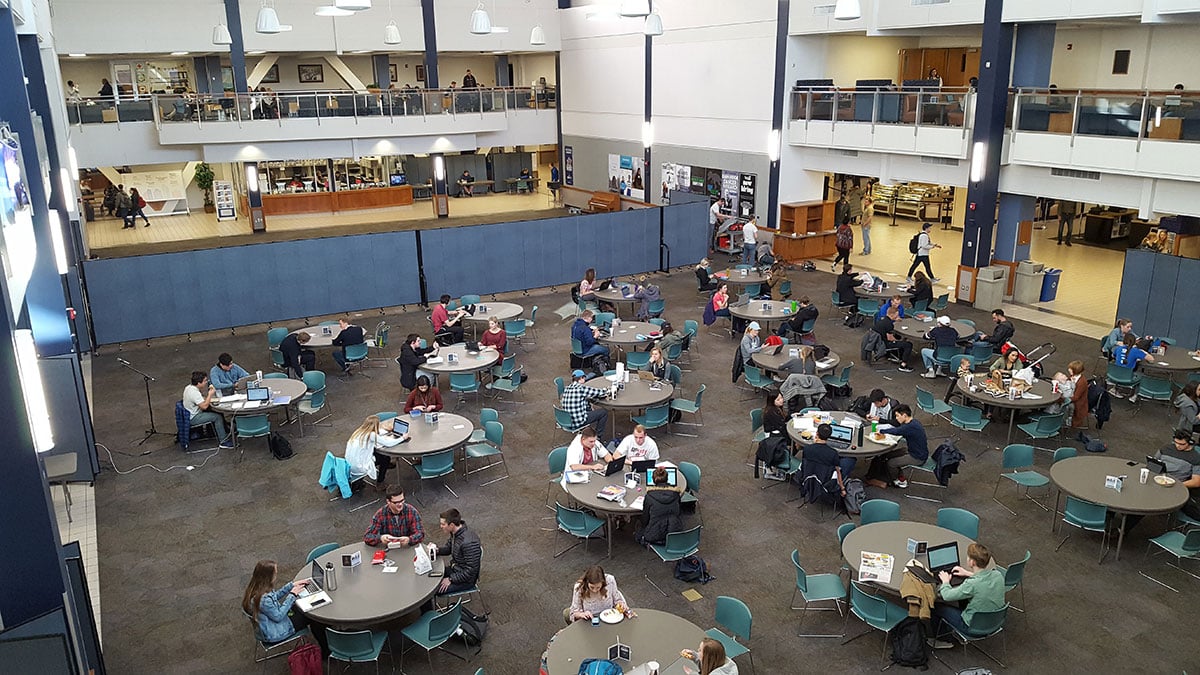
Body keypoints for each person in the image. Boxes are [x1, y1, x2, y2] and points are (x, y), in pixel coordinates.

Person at [928, 543, 1006, 649]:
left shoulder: (971, 585)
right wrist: (967, 573)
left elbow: (946, 596)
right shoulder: (998, 575)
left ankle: (941, 640)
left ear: (972, 562)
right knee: (964, 599)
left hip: (972, 627)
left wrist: (945, 582)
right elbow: (983, 580)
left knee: (935, 606)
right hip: (994, 622)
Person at [241, 560, 327, 655]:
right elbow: (278, 616)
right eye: (275, 573)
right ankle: (326, 650)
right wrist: (292, 594)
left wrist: (292, 585)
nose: (276, 574)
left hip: (272, 621)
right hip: (277, 630)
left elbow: (274, 597)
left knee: (300, 606)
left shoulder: (257, 588)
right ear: (268, 576)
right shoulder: (263, 599)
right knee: (312, 618)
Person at [870, 405, 927, 488]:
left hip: (917, 457)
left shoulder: (909, 427)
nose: (896, 418)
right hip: (914, 450)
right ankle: (886, 474)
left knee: (891, 463)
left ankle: (899, 481)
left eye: (897, 416)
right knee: (887, 455)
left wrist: (881, 431)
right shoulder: (914, 422)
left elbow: (896, 431)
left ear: (904, 415)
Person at [434, 508, 482, 595]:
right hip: (456, 570)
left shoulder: (469, 543)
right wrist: (436, 550)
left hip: (466, 580)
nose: (441, 526)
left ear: (451, 525)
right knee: (431, 574)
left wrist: (450, 579)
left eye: (443, 524)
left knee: (433, 590)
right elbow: (449, 548)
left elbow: (471, 571)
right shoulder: (456, 533)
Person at [1155, 430, 1200, 520]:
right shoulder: (1165, 448)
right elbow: (1154, 462)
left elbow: (1196, 482)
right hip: (1157, 480)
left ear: (1190, 442)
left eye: (1182, 444)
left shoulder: (1195, 457)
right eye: (1176, 442)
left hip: (1176, 486)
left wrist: (1176, 484)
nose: (1178, 446)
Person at [183, 371, 234, 449]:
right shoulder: (194, 393)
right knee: (217, 417)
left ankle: (221, 431)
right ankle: (223, 441)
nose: (206, 382)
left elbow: (200, 399)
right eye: (205, 381)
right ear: (199, 383)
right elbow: (204, 406)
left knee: (216, 411)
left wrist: (211, 399)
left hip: (191, 412)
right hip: (194, 417)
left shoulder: (189, 388)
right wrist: (210, 395)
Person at [567, 565, 634, 623]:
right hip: (591, 622)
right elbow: (573, 613)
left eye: (598, 587)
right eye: (592, 587)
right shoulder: (579, 588)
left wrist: (621, 604)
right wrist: (582, 614)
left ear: (603, 583)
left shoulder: (610, 581)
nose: (595, 590)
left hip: (610, 618)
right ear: (587, 583)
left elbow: (617, 600)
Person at [636, 467, 683, 547]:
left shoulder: (649, 497)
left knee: (638, 530)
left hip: (654, 535)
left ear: (654, 480)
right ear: (667, 479)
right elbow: (678, 512)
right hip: (673, 533)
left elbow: (645, 519)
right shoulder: (676, 494)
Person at [802, 423, 848, 503]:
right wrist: (842, 488)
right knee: (848, 463)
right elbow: (838, 472)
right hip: (825, 482)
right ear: (829, 436)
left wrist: (814, 442)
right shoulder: (833, 453)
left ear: (817, 433)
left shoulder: (807, 449)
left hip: (808, 478)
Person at [561, 370, 609, 440]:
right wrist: (607, 389)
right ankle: (598, 437)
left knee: (587, 405)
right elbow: (600, 392)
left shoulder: (567, 388)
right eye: (584, 378)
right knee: (603, 412)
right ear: (581, 378)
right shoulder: (581, 389)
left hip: (566, 420)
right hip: (578, 421)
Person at [873, 308, 914, 372]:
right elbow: (890, 338)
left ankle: (896, 354)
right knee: (908, 344)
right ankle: (903, 365)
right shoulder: (889, 324)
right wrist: (900, 341)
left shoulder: (882, 320)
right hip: (884, 344)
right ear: (892, 315)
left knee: (898, 338)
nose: (897, 317)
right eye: (896, 315)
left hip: (876, 341)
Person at [344, 415, 380, 482]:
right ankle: (380, 482)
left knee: (375, 452)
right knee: (385, 458)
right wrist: (403, 438)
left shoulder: (358, 432)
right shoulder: (371, 435)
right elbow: (387, 442)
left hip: (348, 465)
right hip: (359, 467)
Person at [1067, 360, 1089, 429]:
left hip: (1078, 403)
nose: (1068, 370)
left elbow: (1076, 397)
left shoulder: (1082, 382)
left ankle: (1067, 421)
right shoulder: (1073, 377)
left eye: (1070, 369)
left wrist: (1064, 398)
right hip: (1072, 397)